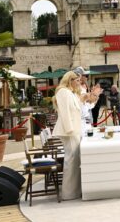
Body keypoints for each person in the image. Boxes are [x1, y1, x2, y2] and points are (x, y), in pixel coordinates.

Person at [52, 71, 84, 200]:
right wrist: (70, 130)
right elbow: (65, 112)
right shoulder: (63, 92)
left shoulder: (70, 92)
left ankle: (75, 190)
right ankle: (68, 193)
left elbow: (77, 109)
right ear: (70, 80)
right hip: (69, 131)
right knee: (71, 160)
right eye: (77, 80)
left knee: (74, 160)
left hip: (74, 130)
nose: (79, 83)